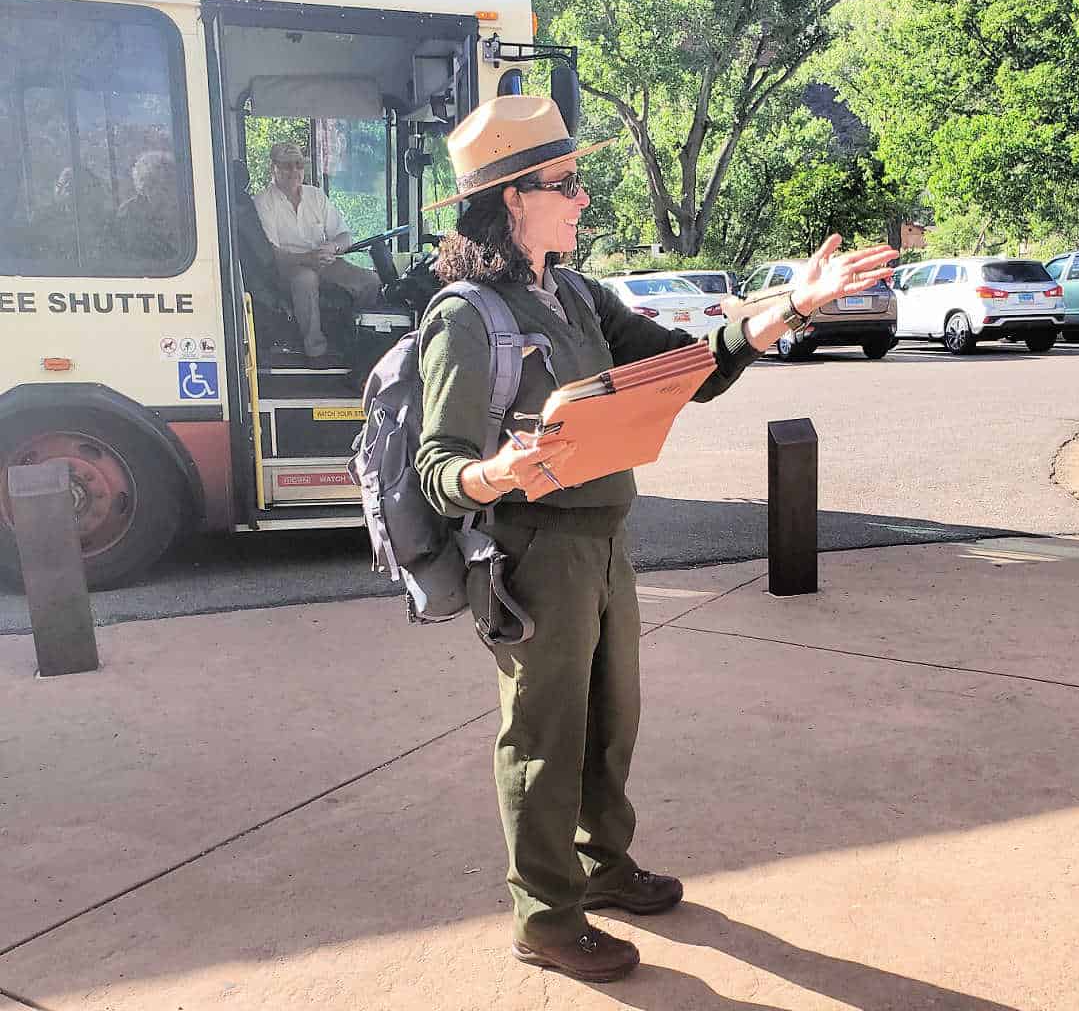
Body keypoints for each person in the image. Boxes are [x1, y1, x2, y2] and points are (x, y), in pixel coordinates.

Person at [414, 95, 897, 984]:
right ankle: (545, 917)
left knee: (610, 720)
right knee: (542, 734)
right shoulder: (466, 313)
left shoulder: (578, 295)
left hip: (604, 538)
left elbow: (689, 367)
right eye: (565, 184)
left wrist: (790, 305)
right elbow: (437, 466)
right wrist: (498, 473)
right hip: (533, 550)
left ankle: (602, 866)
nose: (583, 199)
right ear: (514, 198)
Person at [254, 141, 380, 364]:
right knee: (306, 279)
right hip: (287, 268)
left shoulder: (316, 196)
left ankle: (356, 342)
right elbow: (273, 253)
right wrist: (308, 259)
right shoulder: (263, 202)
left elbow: (344, 236)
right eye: (286, 165)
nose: (294, 171)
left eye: (298, 164)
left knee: (370, 281)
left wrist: (332, 248)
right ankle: (316, 351)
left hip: (324, 261)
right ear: (272, 167)